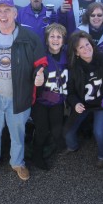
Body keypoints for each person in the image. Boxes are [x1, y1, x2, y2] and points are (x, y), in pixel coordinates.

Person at [0, 0, 47, 182]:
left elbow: (40, 64)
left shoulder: (29, 37)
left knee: (18, 134)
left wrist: (40, 76)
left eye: (7, 10)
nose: (3, 14)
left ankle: (17, 163)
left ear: (15, 13)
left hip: (20, 97)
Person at [64, 31, 103, 168]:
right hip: (83, 104)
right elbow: (70, 92)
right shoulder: (73, 68)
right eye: (81, 47)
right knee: (68, 131)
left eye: (87, 44)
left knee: (99, 131)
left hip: (101, 104)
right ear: (76, 52)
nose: (86, 48)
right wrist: (75, 104)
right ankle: (73, 146)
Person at [30, 23, 68, 170]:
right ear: (46, 40)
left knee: (57, 130)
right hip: (40, 100)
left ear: (63, 40)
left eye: (59, 37)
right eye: (52, 36)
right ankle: (36, 154)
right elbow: (34, 75)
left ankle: (49, 144)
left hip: (57, 101)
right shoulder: (41, 56)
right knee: (42, 129)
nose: (55, 39)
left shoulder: (68, 56)